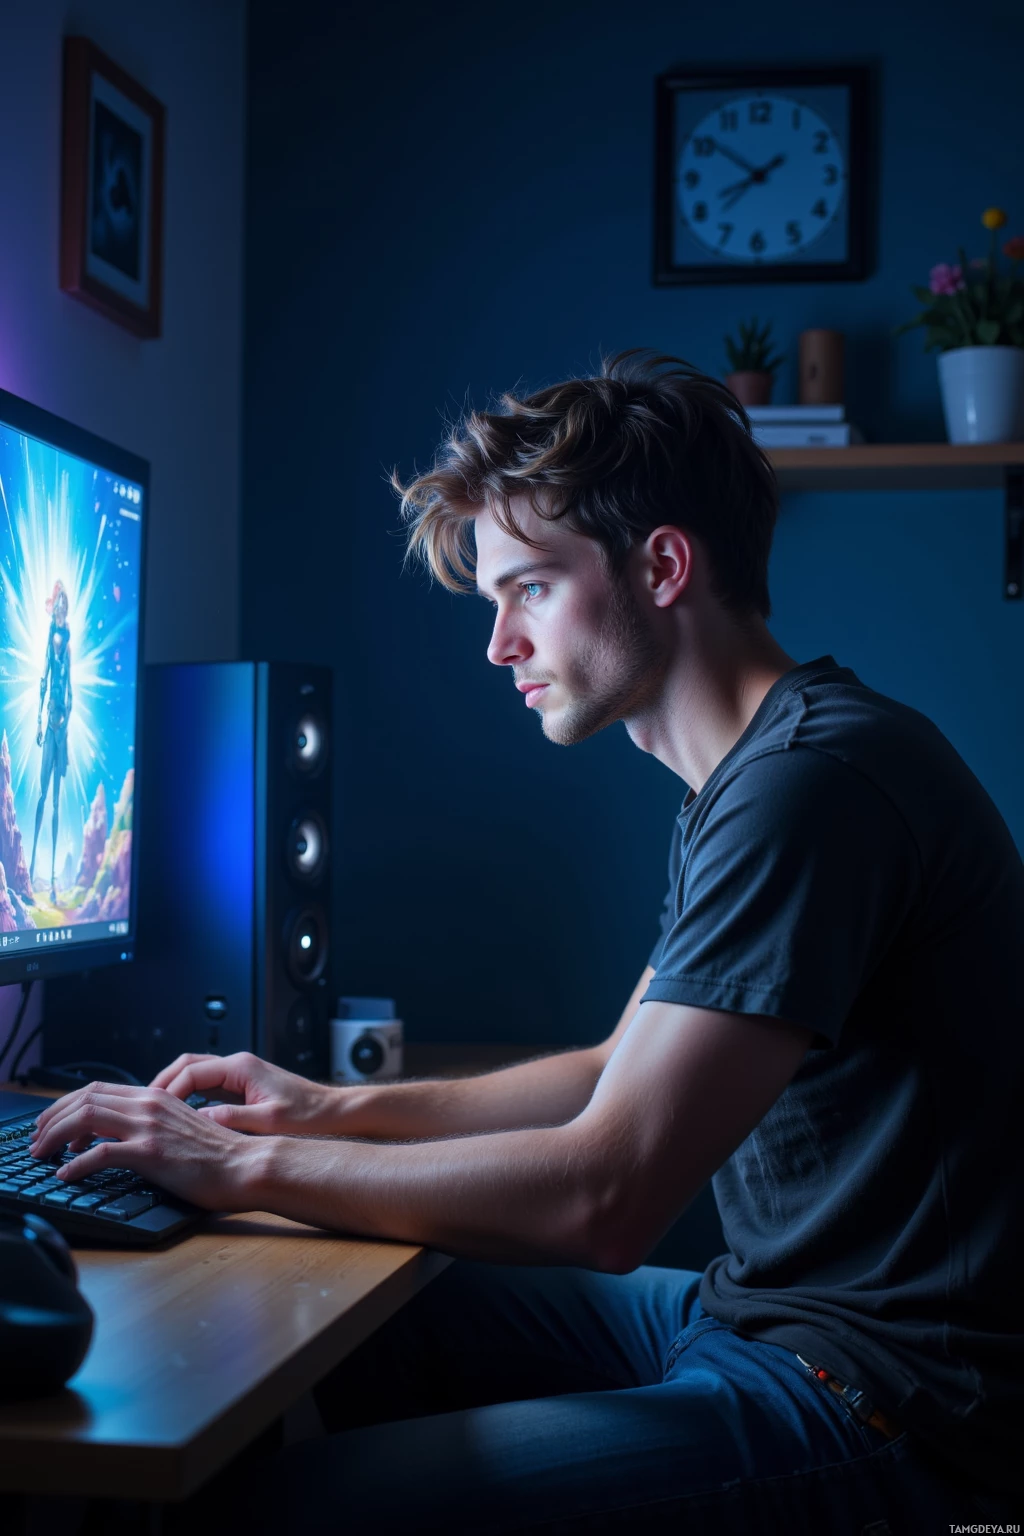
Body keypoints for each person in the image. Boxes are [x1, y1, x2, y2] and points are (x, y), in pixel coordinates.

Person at [29, 353, 1023, 1533]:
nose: (498, 642)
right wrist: (309, 1111)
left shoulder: (810, 787)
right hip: (759, 1316)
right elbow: (614, 1070)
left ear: (661, 567)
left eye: (530, 590)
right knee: (356, 1309)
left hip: (888, 1406)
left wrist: (238, 1166)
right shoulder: (756, 773)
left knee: (268, 1511)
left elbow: (607, 1197)